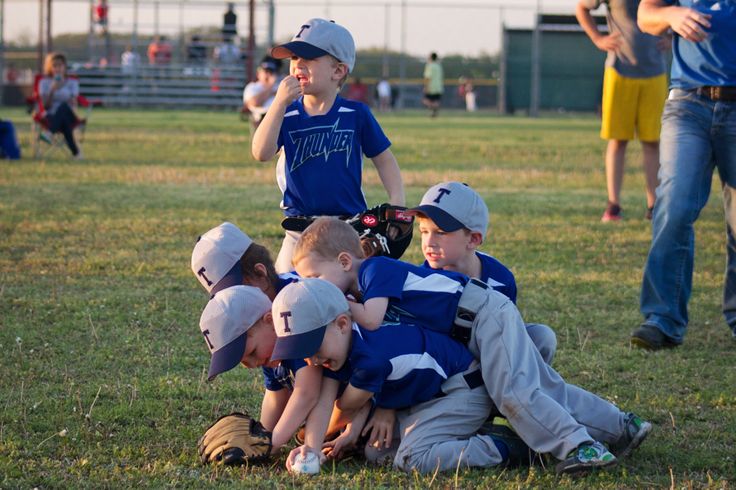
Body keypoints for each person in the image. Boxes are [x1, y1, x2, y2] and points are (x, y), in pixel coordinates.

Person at [292, 217, 654, 474]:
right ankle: (621, 426)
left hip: (483, 314)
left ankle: (579, 447)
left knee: (513, 390)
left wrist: (341, 306)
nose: (315, 287)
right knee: (540, 384)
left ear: (343, 261)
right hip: (472, 323)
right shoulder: (360, 287)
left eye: (315, 278)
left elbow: (370, 320)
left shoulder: (373, 271)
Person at [270, 278, 530, 474]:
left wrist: (344, 431)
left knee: (412, 459)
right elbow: (334, 399)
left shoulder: (372, 359)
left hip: (462, 390)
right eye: (302, 353)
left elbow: (346, 405)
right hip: (426, 396)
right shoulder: (346, 343)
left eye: (314, 347)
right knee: (375, 452)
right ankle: (461, 432)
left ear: (342, 324)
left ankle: (502, 446)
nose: (312, 360)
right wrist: (313, 448)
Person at [251, 18, 405, 274]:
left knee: (354, 288)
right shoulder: (286, 114)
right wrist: (277, 104)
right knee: (283, 291)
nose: (298, 65)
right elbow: (261, 152)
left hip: (347, 228)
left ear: (338, 71)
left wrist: (397, 202)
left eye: (309, 58)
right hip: (298, 230)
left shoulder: (355, 113)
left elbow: (383, 158)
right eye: (294, 59)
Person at [632, 0, 736, 348]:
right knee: (673, 207)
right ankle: (663, 318)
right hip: (688, 103)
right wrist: (671, 15)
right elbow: (646, 15)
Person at [408, 181, 557, 364]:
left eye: (440, 232)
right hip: (451, 369)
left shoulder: (500, 278)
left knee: (542, 336)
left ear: (473, 239)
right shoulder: (422, 282)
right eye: (424, 231)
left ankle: (528, 387)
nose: (429, 242)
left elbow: (509, 333)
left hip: (494, 356)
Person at [576, 0, 669, 222]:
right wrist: (598, 39)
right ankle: (613, 205)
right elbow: (582, 7)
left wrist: (672, 37)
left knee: (652, 141)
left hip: (655, 73)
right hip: (619, 71)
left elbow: (681, 11)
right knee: (618, 140)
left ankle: (653, 206)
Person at [38, 52, 83, 159]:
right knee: (64, 122)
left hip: (69, 114)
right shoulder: (44, 83)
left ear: (65, 66)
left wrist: (63, 87)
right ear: (50, 67)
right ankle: (76, 153)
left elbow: (73, 102)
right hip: (51, 116)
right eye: (54, 65)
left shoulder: (72, 82)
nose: (57, 68)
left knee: (63, 107)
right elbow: (45, 107)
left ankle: (49, 133)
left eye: (60, 65)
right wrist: (52, 90)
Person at [243, 56, 282, 128]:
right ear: (258, 73)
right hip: (261, 119)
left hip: (281, 118)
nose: (268, 74)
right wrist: (270, 88)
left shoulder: (281, 85)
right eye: (266, 71)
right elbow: (254, 103)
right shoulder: (252, 87)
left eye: (271, 72)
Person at [422, 52, 444, 117]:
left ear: (430, 58)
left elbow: (428, 77)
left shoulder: (429, 66)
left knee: (426, 100)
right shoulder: (439, 66)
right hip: (438, 87)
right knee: (436, 101)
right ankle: (434, 112)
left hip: (431, 86)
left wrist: (426, 86)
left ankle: (433, 111)